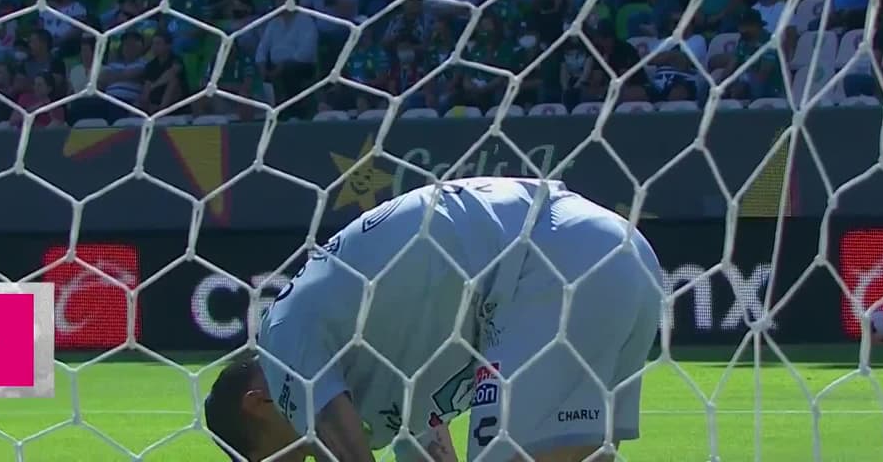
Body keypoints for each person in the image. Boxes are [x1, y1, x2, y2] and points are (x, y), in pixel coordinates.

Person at [206, 177, 663, 462]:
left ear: (257, 403)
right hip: (616, 253)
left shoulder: (282, 338)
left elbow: (347, 454)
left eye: (280, 459)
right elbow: (424, 443)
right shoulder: (375, 370)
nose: (302, 457)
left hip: (548, 266)